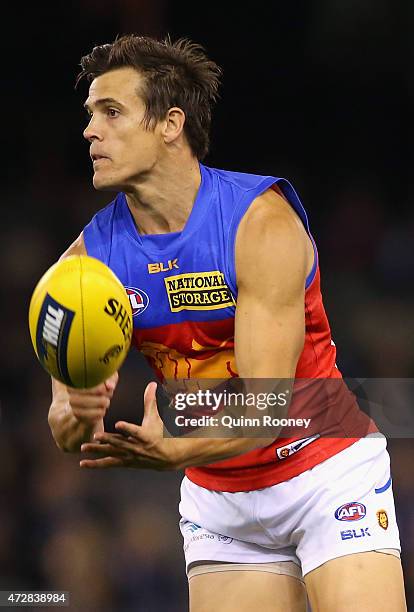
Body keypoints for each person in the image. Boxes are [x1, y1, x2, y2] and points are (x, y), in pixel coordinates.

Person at [47, 34, 407, 611]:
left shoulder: (259, 223)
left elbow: (268, 408)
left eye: (111, 112)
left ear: (170, 124)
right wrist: (77, 414)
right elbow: (65, 428)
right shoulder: (82, 269)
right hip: (222, 499)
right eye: (90, 114)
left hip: (323, 469)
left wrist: (176, 451)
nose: (90, 130)